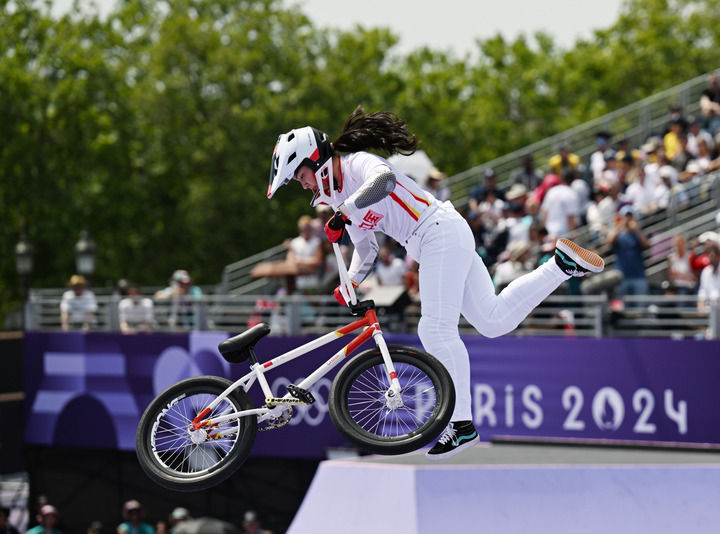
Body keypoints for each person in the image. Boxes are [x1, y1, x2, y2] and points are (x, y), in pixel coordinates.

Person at [267, 106, 604, 459]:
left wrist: (345, 211)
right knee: (492, 321)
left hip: (436, 231)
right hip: (436, 241)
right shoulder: (337, 198)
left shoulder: (356, 165)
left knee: (435, 330)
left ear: (316, 160)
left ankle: (460, 425)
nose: (301, 184)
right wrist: (350, 281)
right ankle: (561, 266)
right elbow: (365, 248)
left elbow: (386, 182)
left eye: (300, 175)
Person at [607, 205, 650, 301]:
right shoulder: (619, 234)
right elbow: (610, 241)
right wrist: (621, 225)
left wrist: (636, 229)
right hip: (621, 277)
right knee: (621, 309)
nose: (628, 219)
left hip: (638, 276)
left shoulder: (637, 233)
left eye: (629, 216)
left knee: (640, 309)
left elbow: (646, 245)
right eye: (626, 216)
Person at [286, 214, 323, 293]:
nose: (306, 230)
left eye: (308, 228)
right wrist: (309, 262)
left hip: (313, 281)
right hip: (299, 282)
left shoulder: (316, 241)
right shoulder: (295, 242)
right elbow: (290, 261)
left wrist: (299, 261)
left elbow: (318, 261)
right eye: (304, 228)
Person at [697, 241, 720, 311]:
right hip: (709, 309)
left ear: (718, 256)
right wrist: (700, 307)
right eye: (709, 255)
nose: (711, 258)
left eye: (713, 256)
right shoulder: (705, 272)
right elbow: (702, 292)